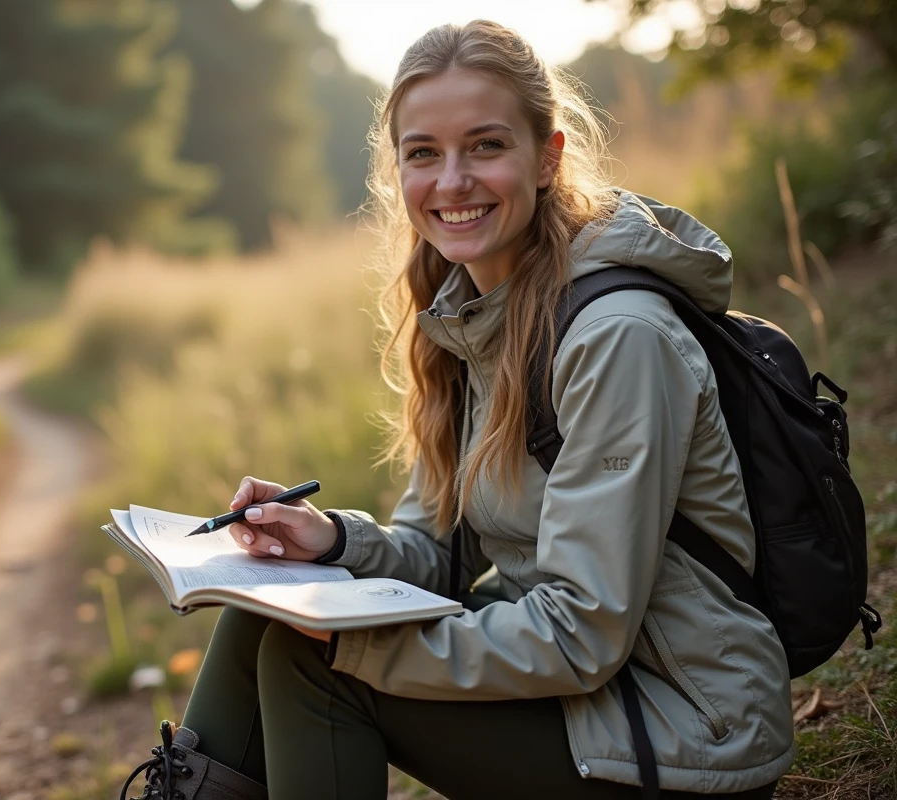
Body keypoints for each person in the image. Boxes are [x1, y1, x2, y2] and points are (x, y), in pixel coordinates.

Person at [121, 19, 794, 800]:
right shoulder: (472, 317)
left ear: (548, 158)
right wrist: (329, 541)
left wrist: (351, 643)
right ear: (397, 170)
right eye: (423, 153)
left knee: (315, 660)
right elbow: (437, 554)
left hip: (680, 731)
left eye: (485, 146)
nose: (451, 181)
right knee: (267, 605)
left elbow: (582, 631)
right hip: (587, 702)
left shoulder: (618, 339)